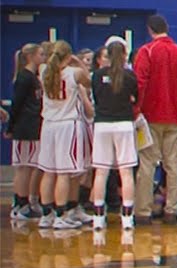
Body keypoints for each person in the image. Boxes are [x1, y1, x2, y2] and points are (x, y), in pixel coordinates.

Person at [133, 14, 177, 224]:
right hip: (174, 115)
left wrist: (136, 110)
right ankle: (171, 209)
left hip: (150, 115)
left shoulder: (146, 51)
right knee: (173, 164)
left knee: (148, 163)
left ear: (150, 30)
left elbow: (139, 82)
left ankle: (143, 211)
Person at [36, 42, 93, 229]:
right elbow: (89, 82)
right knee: (63, 173)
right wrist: (79, 62)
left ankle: (46, 214)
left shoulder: (43, 70)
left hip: (48, 125)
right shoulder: (73, 73)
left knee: (48, 172)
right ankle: (61, 215)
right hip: (67, 125)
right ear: (68, 57)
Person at [89, 40, 138, 231]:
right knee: (126, 172)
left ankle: (98, 217)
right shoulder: (129, 75)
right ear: (125, 55)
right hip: (124, 124)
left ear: (107, 55)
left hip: (102, 124)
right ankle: (127, 218)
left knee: (101, 171)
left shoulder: (97, 75)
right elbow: (135, 98)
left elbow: (97, 97)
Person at [6, 43, 45, 221]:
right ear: (30, 56)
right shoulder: (24, 78)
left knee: (31, 166)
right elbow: (17, 104)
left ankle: (28, 202)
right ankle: (19, 204)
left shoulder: (34, 77)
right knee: (23, 167)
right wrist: (10, 127)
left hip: (33, 126)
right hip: (23, 127)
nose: (43, 57)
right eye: (41, 54)